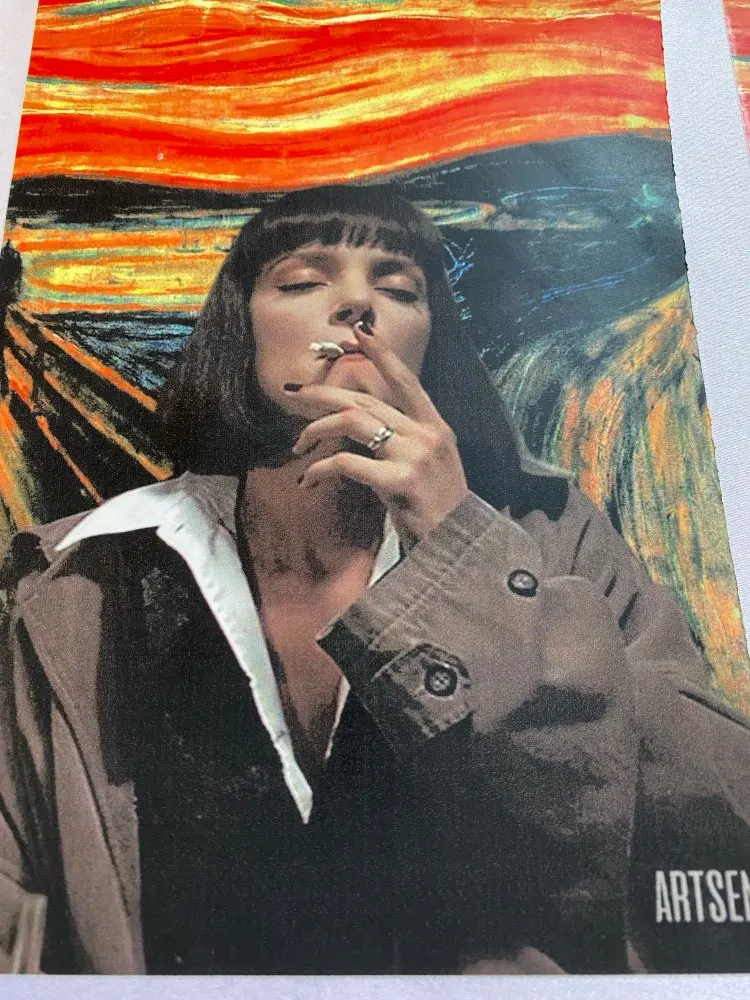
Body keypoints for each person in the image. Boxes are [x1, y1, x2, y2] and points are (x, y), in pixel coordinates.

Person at [1, 185, 750, 975]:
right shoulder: (86, 573)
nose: (357, 302)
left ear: (432, 342)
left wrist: (462, 543)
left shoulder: (556, 535)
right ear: (240, 329)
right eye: (302, 281)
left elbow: (716, 810)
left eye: (399, 289)